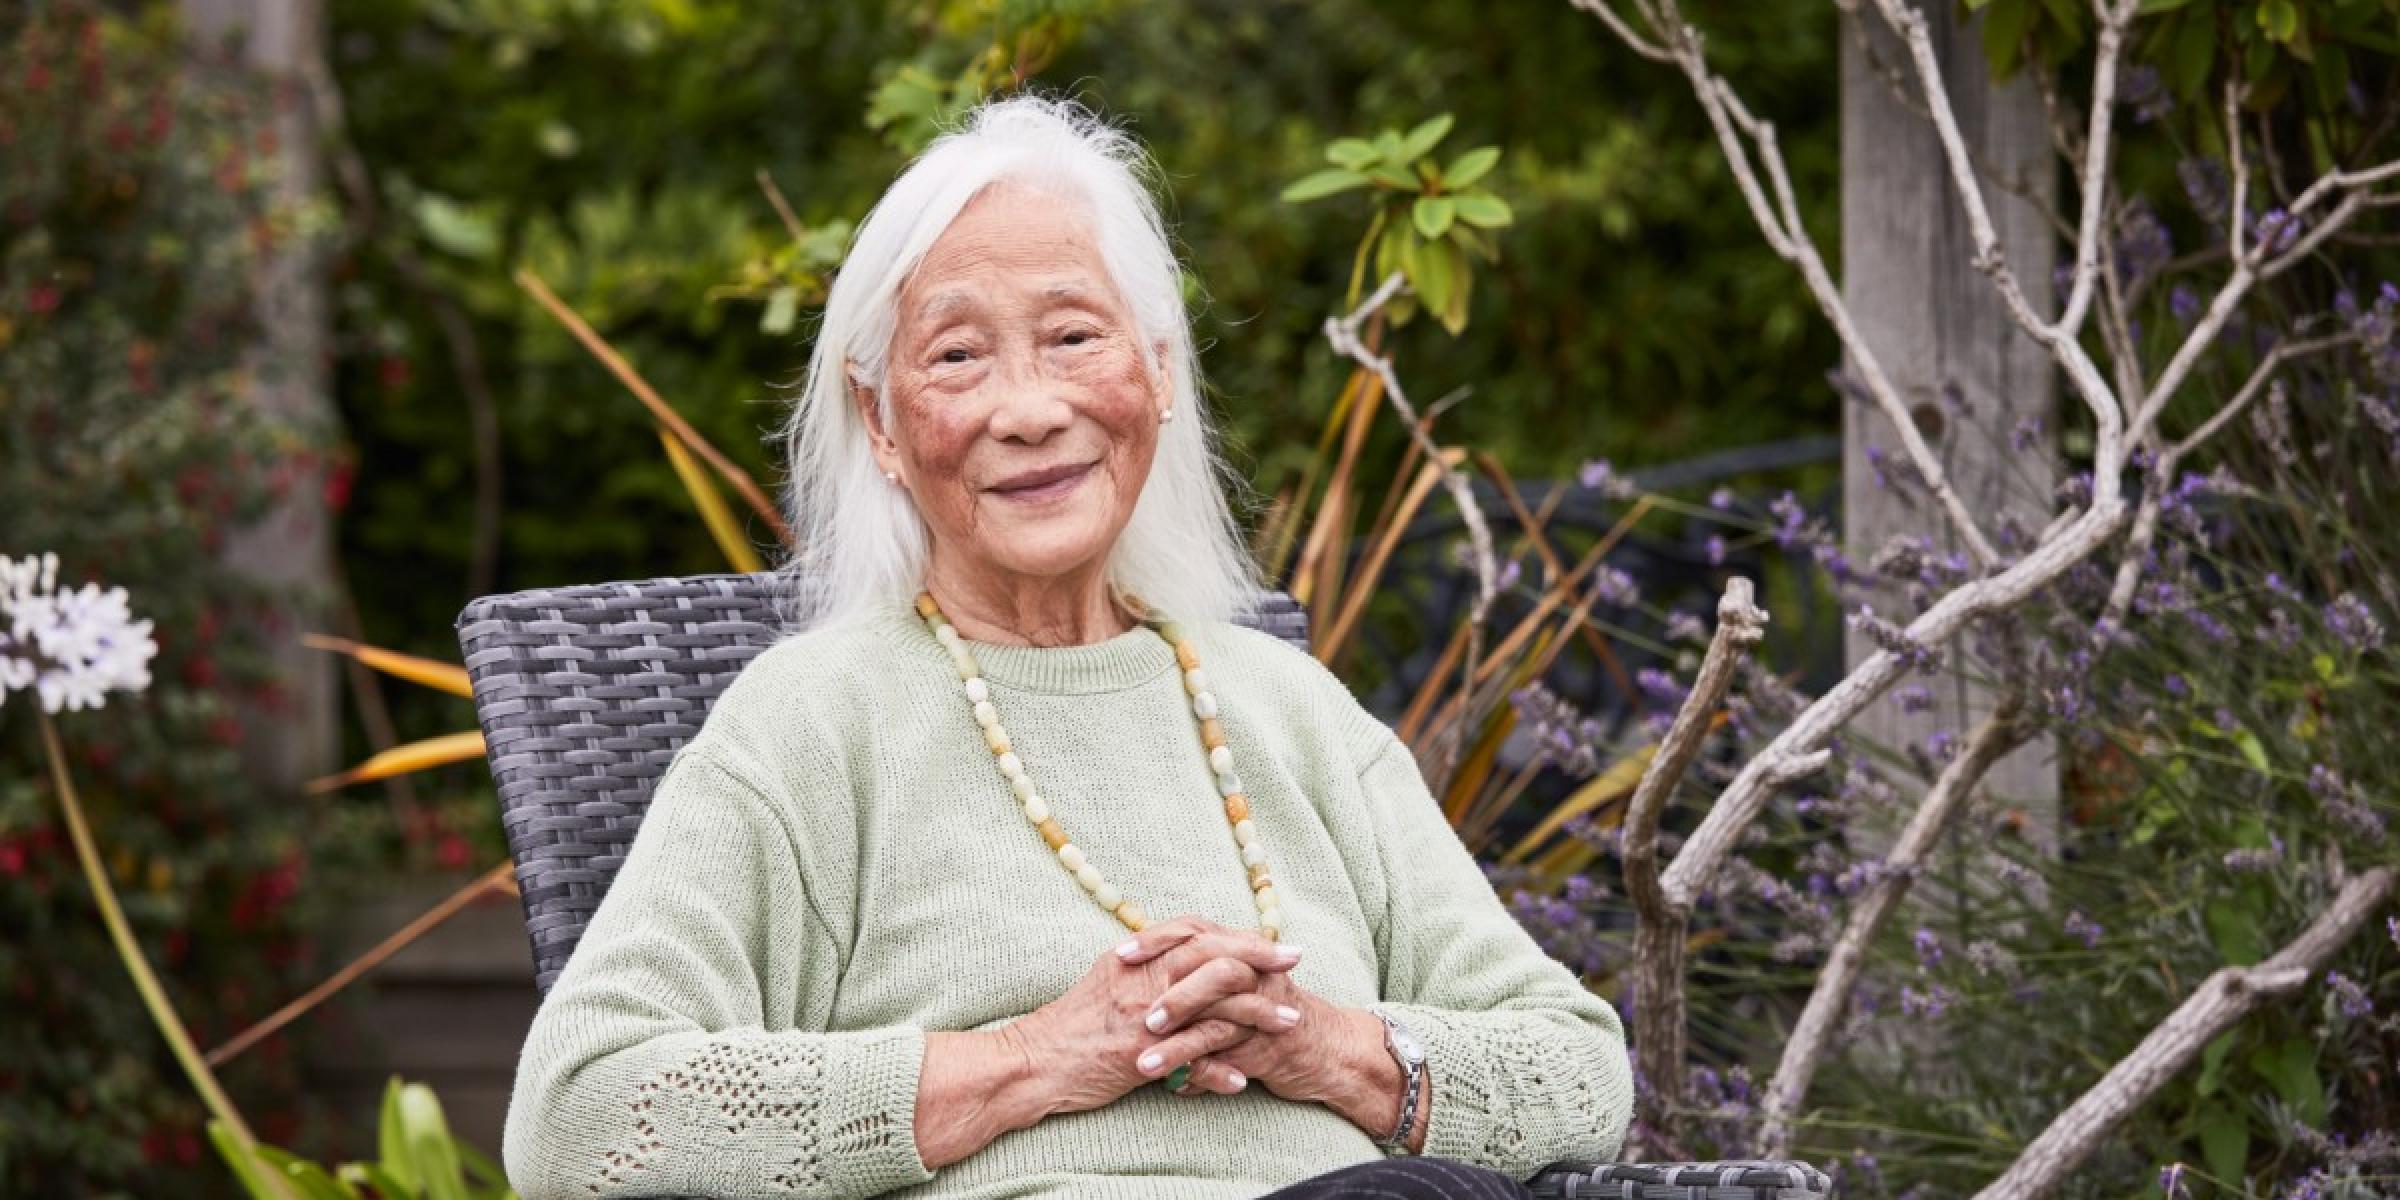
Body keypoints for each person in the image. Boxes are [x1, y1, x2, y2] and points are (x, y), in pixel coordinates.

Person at [499, 89, 1633, 1200]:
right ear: (883, 427)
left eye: (1073, 336)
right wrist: (1040, 1059)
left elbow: (1579, 1073)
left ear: (1160, 374)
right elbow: (582, 1109)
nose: (1030, 408)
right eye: (957, 357)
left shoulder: (1291, 711)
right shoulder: (812, 722)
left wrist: (1320, 1045)